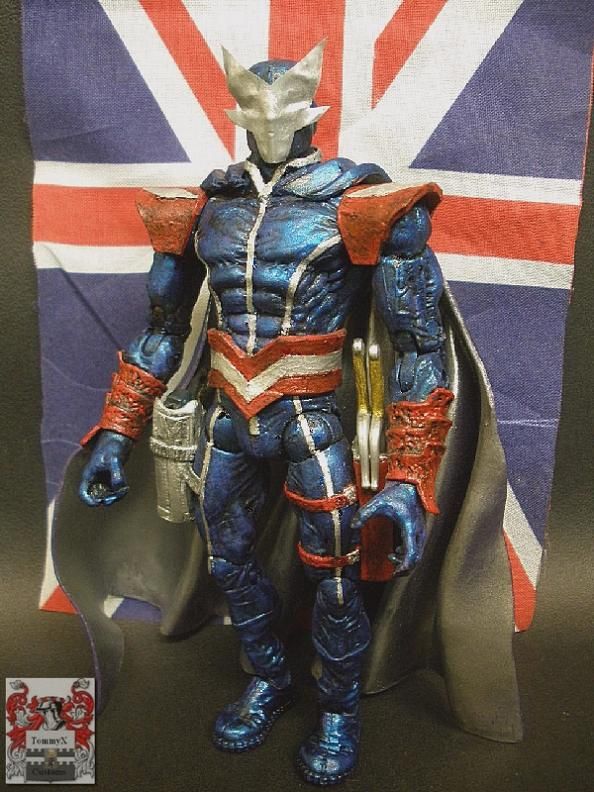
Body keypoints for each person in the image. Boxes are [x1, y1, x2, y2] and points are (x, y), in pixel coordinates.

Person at [79, 41, 454, 786]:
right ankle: (270, 675)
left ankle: (339, 710)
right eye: (254, 101)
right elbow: (162, 331)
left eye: (285, 104)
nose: (272, 118)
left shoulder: (363, 205)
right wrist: (117, 431)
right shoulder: (205, 209)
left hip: (312, 418)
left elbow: (420, 344)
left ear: (313, 110)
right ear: (236, 108)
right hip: (228, 418)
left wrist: (410, 475)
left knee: (336, 576)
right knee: (227, 558)